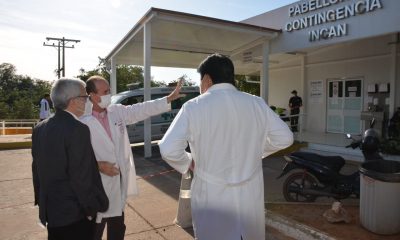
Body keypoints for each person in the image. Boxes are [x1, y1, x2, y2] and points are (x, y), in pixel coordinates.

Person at [158, 54, 293, 240]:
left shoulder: (193, 107)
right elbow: (285, 138)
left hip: (212, 198)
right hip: (249, 195)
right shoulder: (256, 103)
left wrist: (189, 162)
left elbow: (168, 148)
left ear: (206, 79)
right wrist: (254, 152)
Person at [80, 75, 183, 240]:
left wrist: (168, 99)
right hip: (96, 184)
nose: (109, 94)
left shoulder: (116, 111)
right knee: (95, 229)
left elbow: (141, 109)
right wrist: (97, 165)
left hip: (118, 178)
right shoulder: (82, 120)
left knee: (117, 226)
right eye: (105, 91)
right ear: (92, 95)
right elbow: (76, 156)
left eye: (109, 91)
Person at [31, 78, 109, 240]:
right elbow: (82, 177)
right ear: (73, 101)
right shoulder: (78, 129)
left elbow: (36, 170)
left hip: (52, 214)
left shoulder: (40, 128)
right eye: (85, 97)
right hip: (74, 215)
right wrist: (90, 210)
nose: (87, 101)